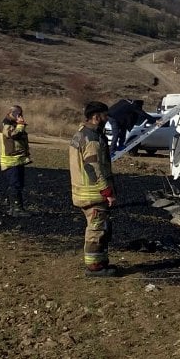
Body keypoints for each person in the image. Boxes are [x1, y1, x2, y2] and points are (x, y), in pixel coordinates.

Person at [69, 101, 118, 277]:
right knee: (96, 229)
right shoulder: (92, 140)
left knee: (101, 227)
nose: (107, 119)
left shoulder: (81, 134)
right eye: (105, 115)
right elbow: (94, 168)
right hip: (93, 193)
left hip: (83, 191)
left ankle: (101, 260)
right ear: (96, 117)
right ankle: (94, 267)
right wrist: (108, 192)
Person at [0, 105, 32, 218]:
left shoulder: (12, 124)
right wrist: (21, 125)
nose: (21, 116)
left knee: (18, 184)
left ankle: (14, 208)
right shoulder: (6, 124)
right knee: (15, 184)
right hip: (11, 161)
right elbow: (13, 135)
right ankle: (16, 208)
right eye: (19, 114)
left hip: (17, 160)